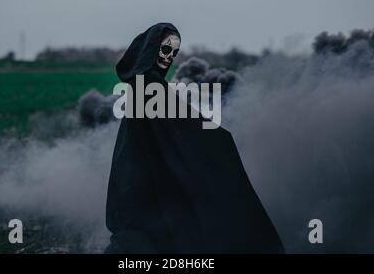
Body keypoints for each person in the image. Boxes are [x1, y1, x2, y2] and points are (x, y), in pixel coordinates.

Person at [105, 22, 284, 253]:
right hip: (146, 182)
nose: (169, 57)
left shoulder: (141, 84)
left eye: (174, 52)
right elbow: (184, 125)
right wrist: (220, 140)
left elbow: (174, 125)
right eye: (165, 49)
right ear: (151, 48)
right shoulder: (149, 84)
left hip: (142, 178)